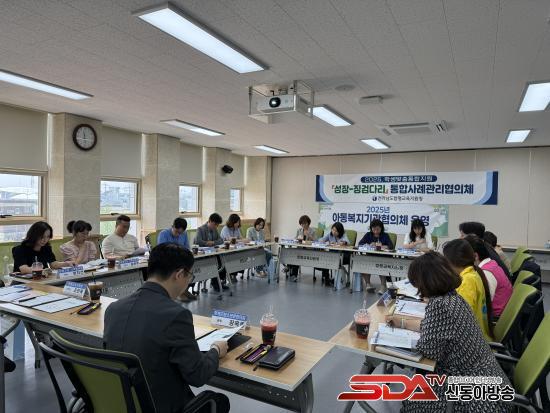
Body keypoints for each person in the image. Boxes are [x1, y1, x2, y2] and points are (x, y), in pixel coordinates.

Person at [104, 243, 230, 413]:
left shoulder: (113, 309)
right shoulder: (176, 315)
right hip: (160, 405)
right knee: (220, 401)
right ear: (179, 274)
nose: (188, 281)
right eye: (189, 276)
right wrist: (216, 350)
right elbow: (197, 375)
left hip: (122, 401)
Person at [387, 252, 511, 413]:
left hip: (476, 399)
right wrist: (403, 323)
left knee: (413, 398)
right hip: (490, 384)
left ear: (425, 282)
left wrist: (394, 343)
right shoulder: (454, 298)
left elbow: (429, 351)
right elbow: (435, 327)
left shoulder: (439, 304)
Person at [442, 239, 494, 340]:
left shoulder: (467, 281)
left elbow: (459, 320)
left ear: (452, 262)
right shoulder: (472, 273)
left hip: (471, 341)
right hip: (475, 336)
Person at [465, 235, 513, 318]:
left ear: (475, 256)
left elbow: (483, 303)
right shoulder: (491, 263)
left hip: (495, 317)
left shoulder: (486, 273)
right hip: (502, 311)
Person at [357, 219, 394, 294]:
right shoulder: (368, 235)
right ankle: (368, 284)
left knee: (381, 265)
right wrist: (369, 245)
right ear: (371, 228)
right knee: (364, 263)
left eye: (377, 229)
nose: (376, 231)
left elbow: (391, 246)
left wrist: (382, 246)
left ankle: (383, 286)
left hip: (382, 257)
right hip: (370, 256)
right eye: (374, 229)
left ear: (381, 228)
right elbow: (360, 244)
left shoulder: (385, 235)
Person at [194, 213, 227, 292]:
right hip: (203, 255)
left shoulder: (215, 230)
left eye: (217, 225)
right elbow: (198, 241)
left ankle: (218, 282)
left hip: (213, 253)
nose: (216, 226)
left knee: (222, 261)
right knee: (216, 263)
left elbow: (221, 240)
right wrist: (206, 243)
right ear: (210, 221)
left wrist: (212, 242)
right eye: (215, 224)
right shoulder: (200, 229)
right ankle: (216, 283)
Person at [287, 215, 318, 282]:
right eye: (302, 224)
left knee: (297, 256)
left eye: (305, 223)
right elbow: (295, 239)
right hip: (300, 249)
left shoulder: (313, 231)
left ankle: (289, 268)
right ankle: (292, 273)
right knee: (292, 254)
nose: (303, 225)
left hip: (309, 251)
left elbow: (316, 241)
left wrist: (309, 236)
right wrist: (297, 239)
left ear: (308, 223)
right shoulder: (299, 230)